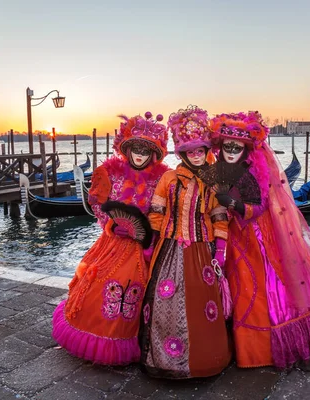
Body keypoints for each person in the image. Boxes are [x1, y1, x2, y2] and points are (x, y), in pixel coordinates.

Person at [207, 111, 310, 368]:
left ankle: (261, 349)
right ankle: (244, 346)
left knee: (258, 286)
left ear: (245, 148)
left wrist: (233, 205)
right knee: (240, 286)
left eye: (236, 147)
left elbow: (258, 207)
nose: (230, 151)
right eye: (226, 146)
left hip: (256, 237)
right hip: (233, 236)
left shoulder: (252, 172)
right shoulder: (219, 170)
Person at [52, 112, 170, 365]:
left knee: (140, 289)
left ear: (154, 154)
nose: (139, 154)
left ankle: (138, 340)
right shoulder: (108, 173)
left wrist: (147, 230)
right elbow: (98, 204)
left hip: (145, 243)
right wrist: (112, 225)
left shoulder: (162, 178)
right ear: (126, 149)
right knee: (104, 284)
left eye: (145, 150)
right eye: (135, 148)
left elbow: (163, 211)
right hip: (113, 242)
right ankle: (101, 337)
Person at [139, 105, 232, 379]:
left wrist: (221, 247)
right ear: (182, 154)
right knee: (164, 303)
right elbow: (156, 212)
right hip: (169, 248)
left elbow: (219, 215)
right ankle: (164, 360)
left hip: (202, 251)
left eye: (200, 151)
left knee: (203, 308)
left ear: (206, 152)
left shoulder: (213, 181)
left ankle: (205, 359)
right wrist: (150, 240)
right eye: (190, 152)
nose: (196, 156)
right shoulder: (168, 178)